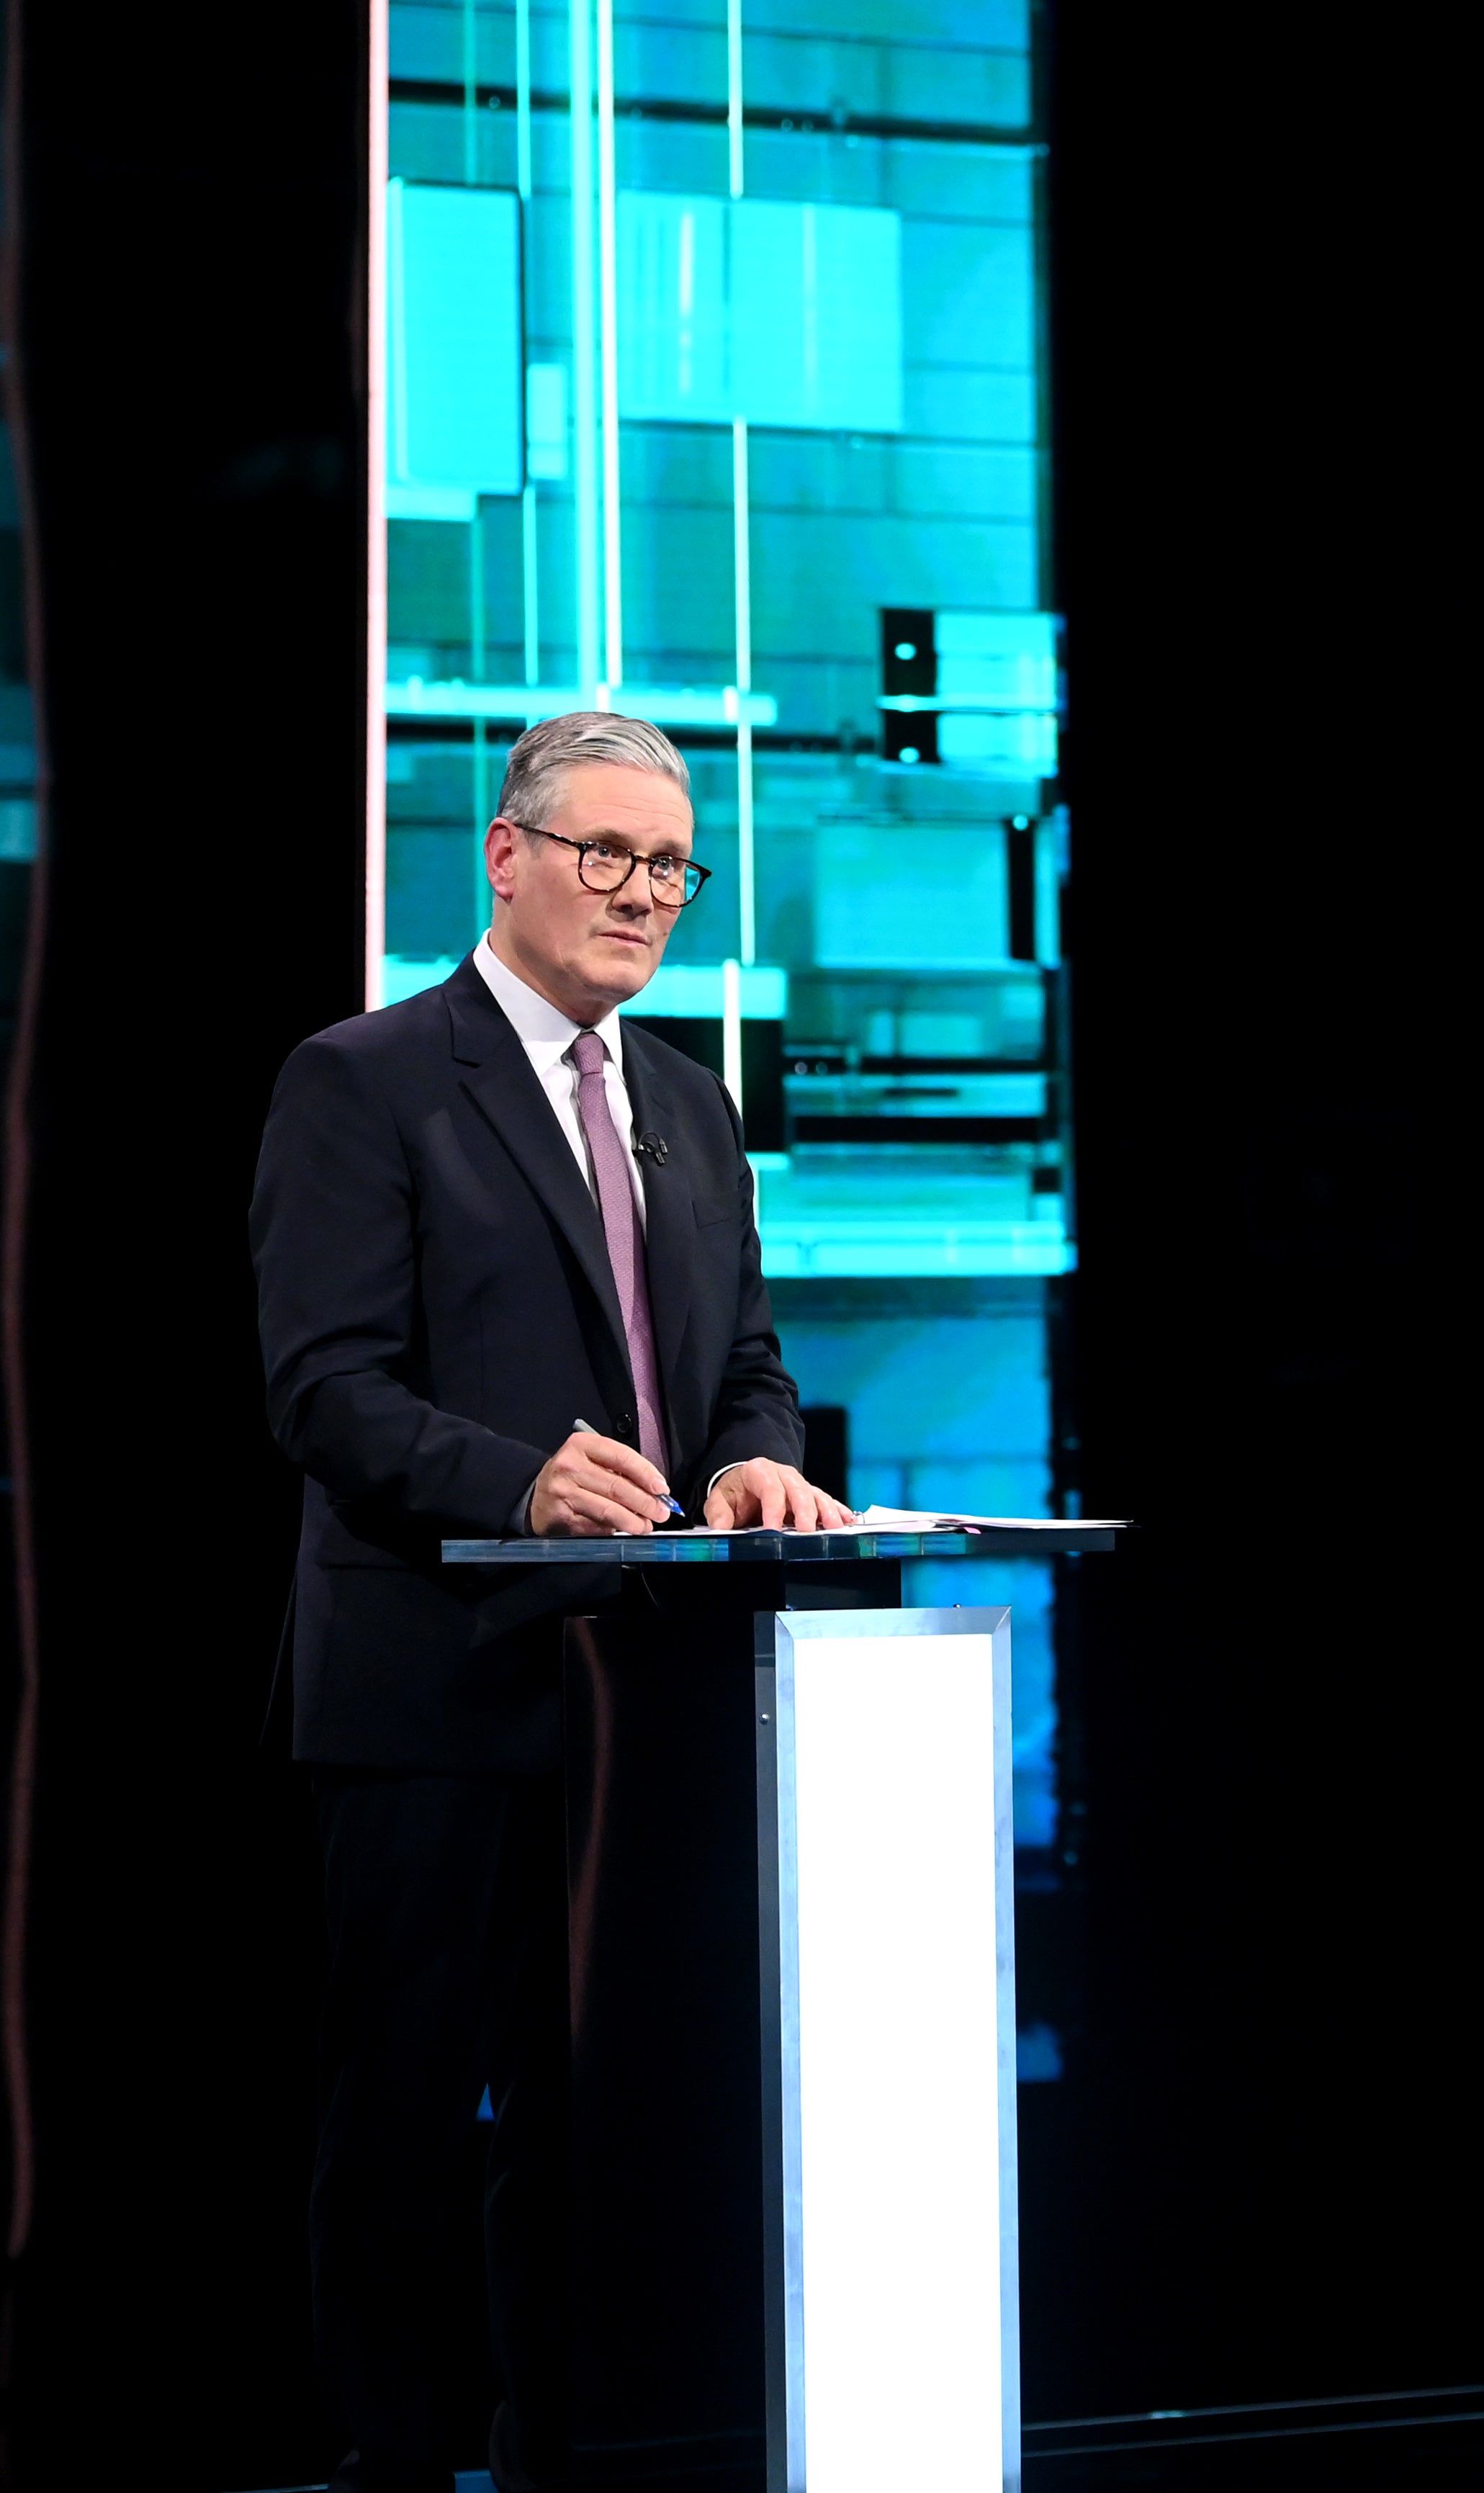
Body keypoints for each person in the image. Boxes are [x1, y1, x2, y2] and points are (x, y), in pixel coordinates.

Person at [251, 711, 851, 2493]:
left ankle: (573, 2447)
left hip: (643, 1691)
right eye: (606, 854)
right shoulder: (361, 1080)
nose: (643, 894)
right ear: (502, 855)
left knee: (606, 2121)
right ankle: (396, 2457)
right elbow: (325, 1387)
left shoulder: (687, 1099)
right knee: (415, 2111)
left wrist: (755, 1455)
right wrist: (510, 1475)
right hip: (435, 1687)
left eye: (669, 865)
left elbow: (743, 1363)